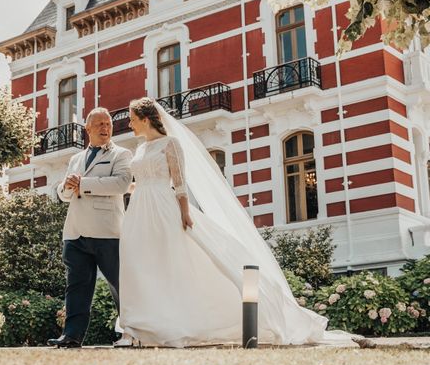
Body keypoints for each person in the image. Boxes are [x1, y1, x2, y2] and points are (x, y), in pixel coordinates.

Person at [117, 97, 355, 347]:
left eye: (132, 120)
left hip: (164, 207)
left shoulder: (170, 144)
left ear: (145, 119)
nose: (130, 125)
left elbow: (179, 182)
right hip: (138, 211)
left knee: (174, 260)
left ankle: (174, 321)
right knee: (140, 263)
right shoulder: (140, 149)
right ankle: (138, 326)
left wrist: (185, 212)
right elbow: (140, 181)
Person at [47, 107, 133, 348]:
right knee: (76, 286)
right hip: (75, 232)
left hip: (108, 231)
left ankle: (132, 331)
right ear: (88, 129)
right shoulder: (75, 158)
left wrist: (83, 184)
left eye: (108, 124)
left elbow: (123, 183)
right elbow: (64, 195)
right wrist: (65, 186)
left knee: (120, 285)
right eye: (99, 125)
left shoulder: (121, 154)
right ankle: (72, 335)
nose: (105, 128)